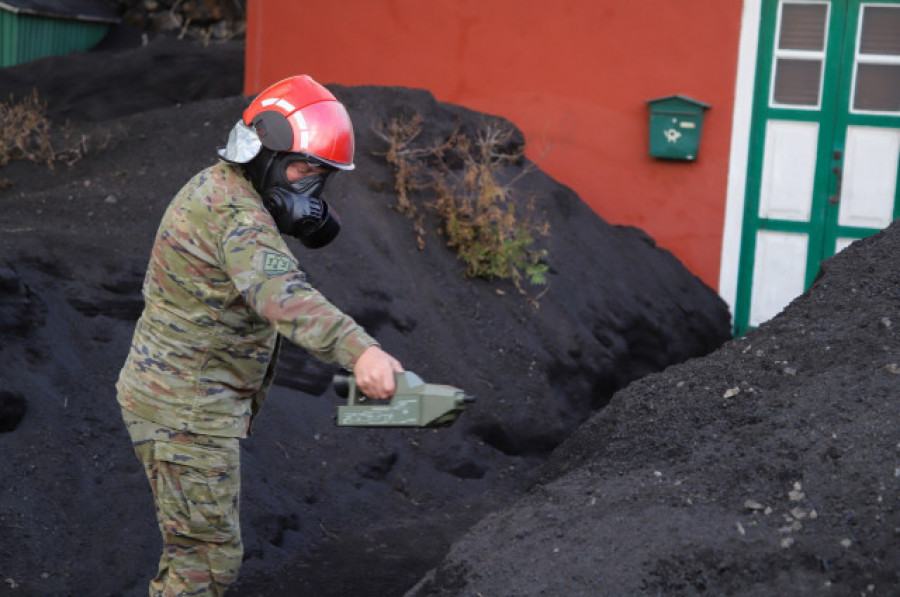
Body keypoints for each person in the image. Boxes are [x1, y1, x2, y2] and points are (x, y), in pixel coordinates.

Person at [116, 75, 403, 597]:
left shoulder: (218, 183)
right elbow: (285, 298)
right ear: (263, 155)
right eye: (302, 171)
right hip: (186, 414)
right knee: (204, 569)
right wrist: (361, 350)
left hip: (176, 401)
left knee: (196, 559)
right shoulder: (239, 219)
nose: (310, 195)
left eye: (321, 180)